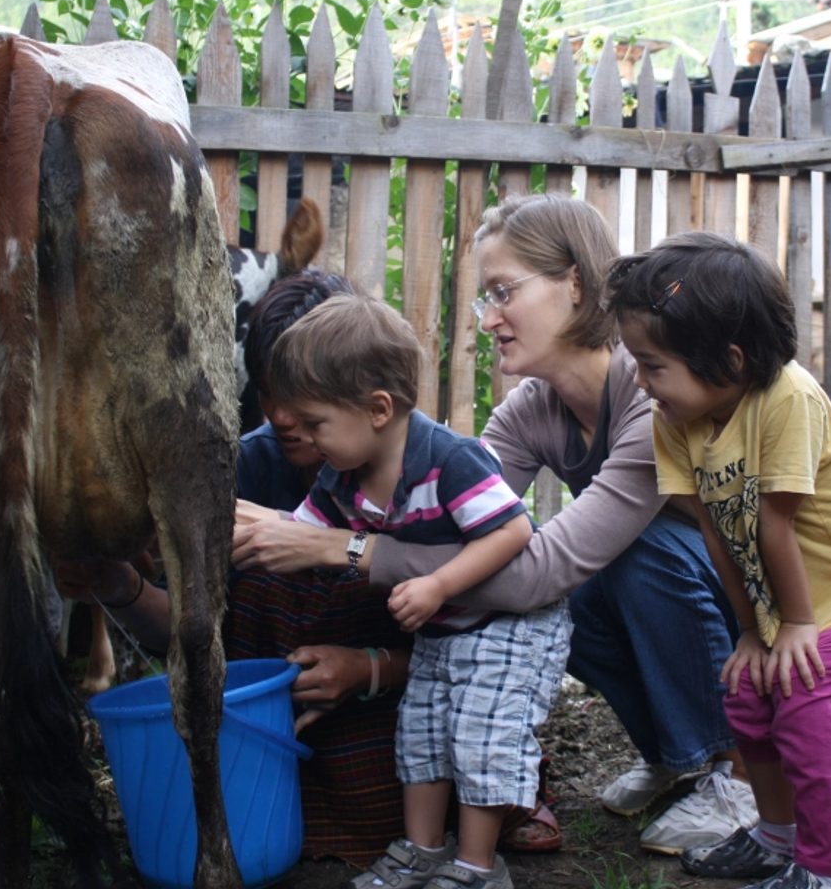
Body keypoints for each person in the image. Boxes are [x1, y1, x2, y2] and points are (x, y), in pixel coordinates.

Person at [234, 194, 758, 855]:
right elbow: (451, 541)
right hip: (710, 590)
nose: (488, 320)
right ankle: (671, 751)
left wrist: (345, 547)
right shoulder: (527, 414)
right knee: (575, 603)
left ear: (574, 282)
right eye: (485, 298)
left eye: (503, 292)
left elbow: (532, 572)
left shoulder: (646, 395)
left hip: (775, 592)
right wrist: (295, 533)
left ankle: (736, 772)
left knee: (630, 555)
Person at [604, 233, 831, 889]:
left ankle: (826, 872)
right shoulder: (675, 419)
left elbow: (771, 524)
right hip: (806, 599)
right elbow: (717, 529)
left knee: (801, 694)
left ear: (730, 361)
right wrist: (751, 633)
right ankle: (775, 835)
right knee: (746, 691)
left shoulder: (786, 397)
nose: (642, 384)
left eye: (652, 366)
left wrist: (788, 629)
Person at [63, 268, 416, 864]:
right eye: (266, 392)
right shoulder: (240, 468)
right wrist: (116, 584)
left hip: (388, 715)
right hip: (269, 732)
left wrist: (368, 668)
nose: (278, 415)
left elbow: (480, 620)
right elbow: (187, 626)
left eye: (302, 398)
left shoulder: (423, 467)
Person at [266, 294, 570, 889]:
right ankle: (422, 850)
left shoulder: (449, 460)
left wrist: (436, 583)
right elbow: (297, 533)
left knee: (480, 735)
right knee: (422, 733)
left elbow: (511, 530)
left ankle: (478, 867)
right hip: (446, 626)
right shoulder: (342, 477)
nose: (303, 436)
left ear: (377, 409)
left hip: (510, 624)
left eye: (316, 422)